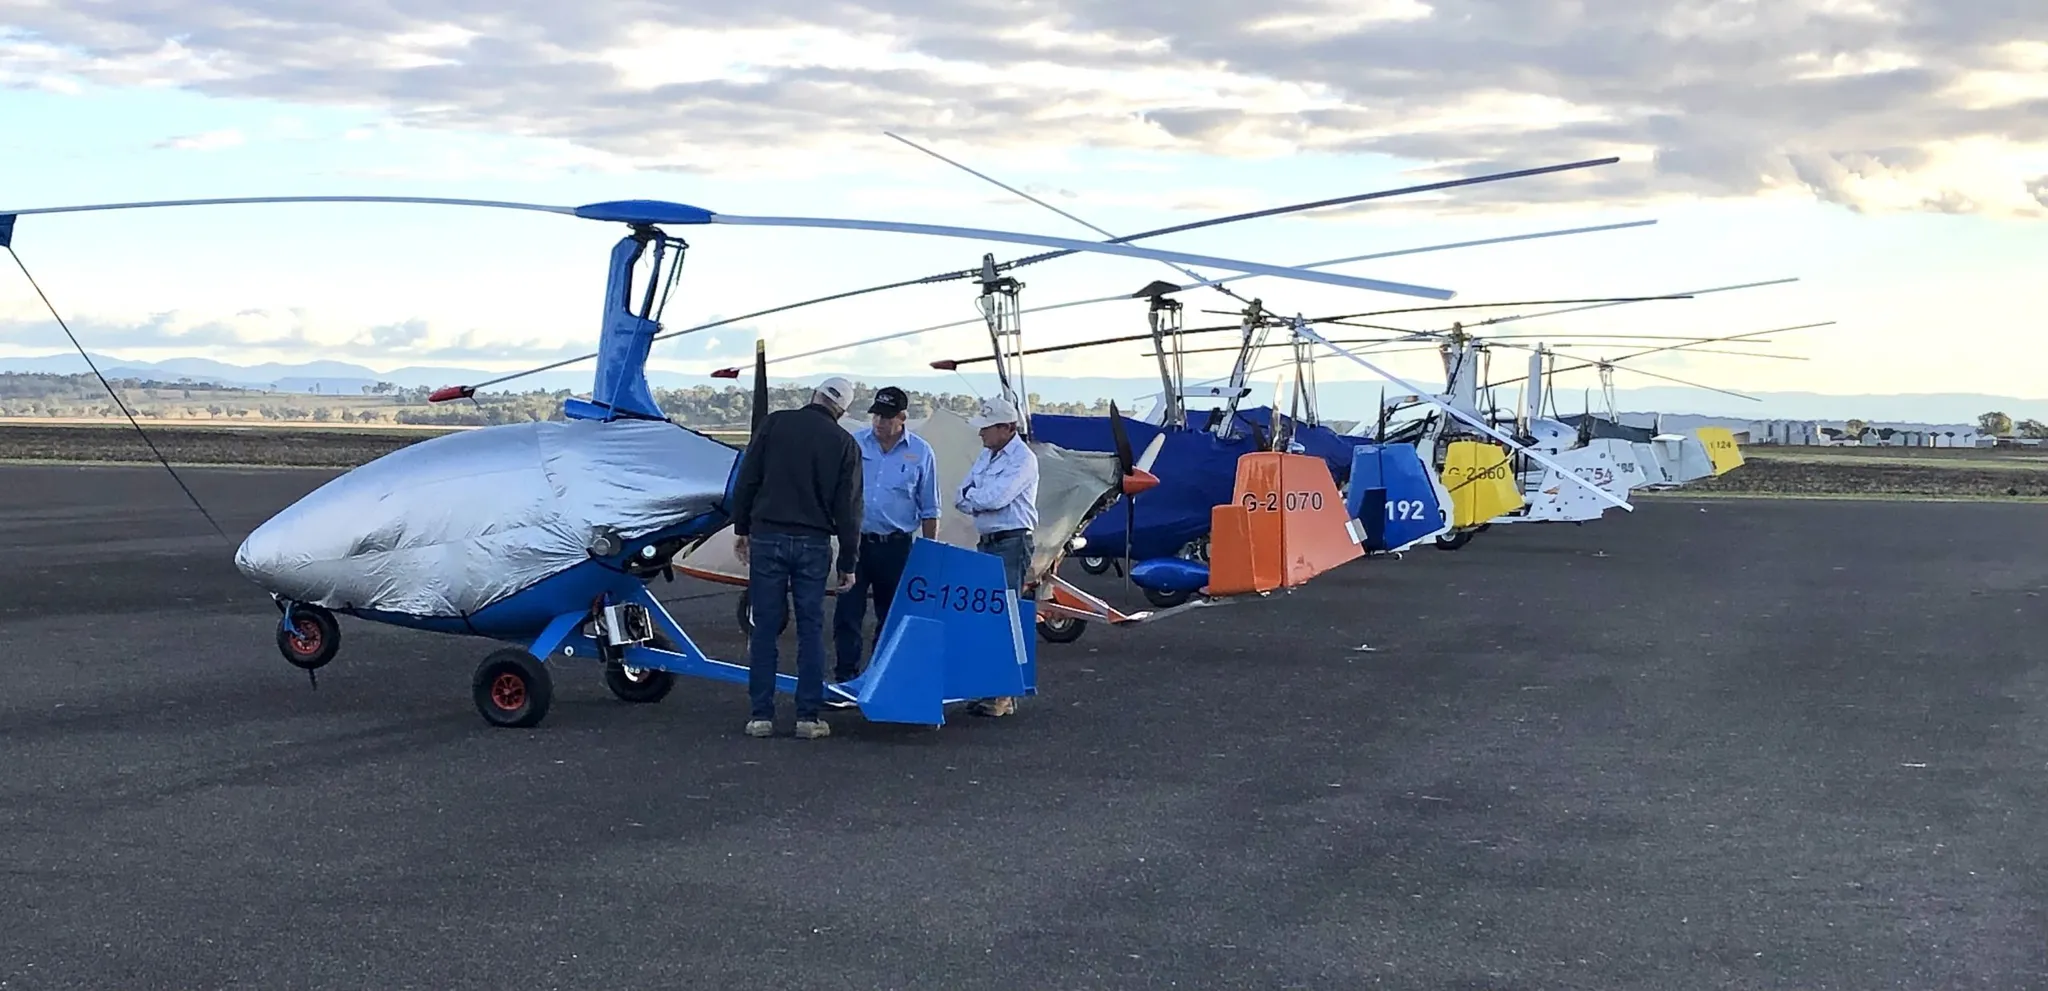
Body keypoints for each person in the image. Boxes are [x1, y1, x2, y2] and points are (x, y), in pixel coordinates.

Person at [729, 375, 862, 739]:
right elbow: (849, 509)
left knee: (764, 627)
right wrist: (848, 562)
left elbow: (748, 478)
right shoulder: (845, 444)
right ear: (842, 410)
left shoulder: (775, 424)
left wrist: (742, 527)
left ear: (814, 395)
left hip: (768, 536)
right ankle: (807, 717)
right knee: (810, 629)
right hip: (814, 543)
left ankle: (761, 715)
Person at [832, 386, 941, 684]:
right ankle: (845, 677)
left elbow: (930, 508)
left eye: (887, 417)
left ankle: (880, 677)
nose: (879, 422)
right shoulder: (856, 444)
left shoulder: (921, 452)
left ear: (902, 417)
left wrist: (928, 553)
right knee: (847, 612)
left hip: (896, 545)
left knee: (891, 614)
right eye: (876, 415)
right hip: (856, 543)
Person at [953, 395, 1038, 717]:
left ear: (1007, 428)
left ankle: (1002, 693)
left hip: (1011, 542)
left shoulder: (1023, 460)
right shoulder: (988, 455)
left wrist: (973, 497)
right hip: (991, 541)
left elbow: (993, 498)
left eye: (987, 428)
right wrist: (976, 498)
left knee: (1003, 615)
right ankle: (996, 689)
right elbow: (961, 495)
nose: (981, 433)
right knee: (989, 615)